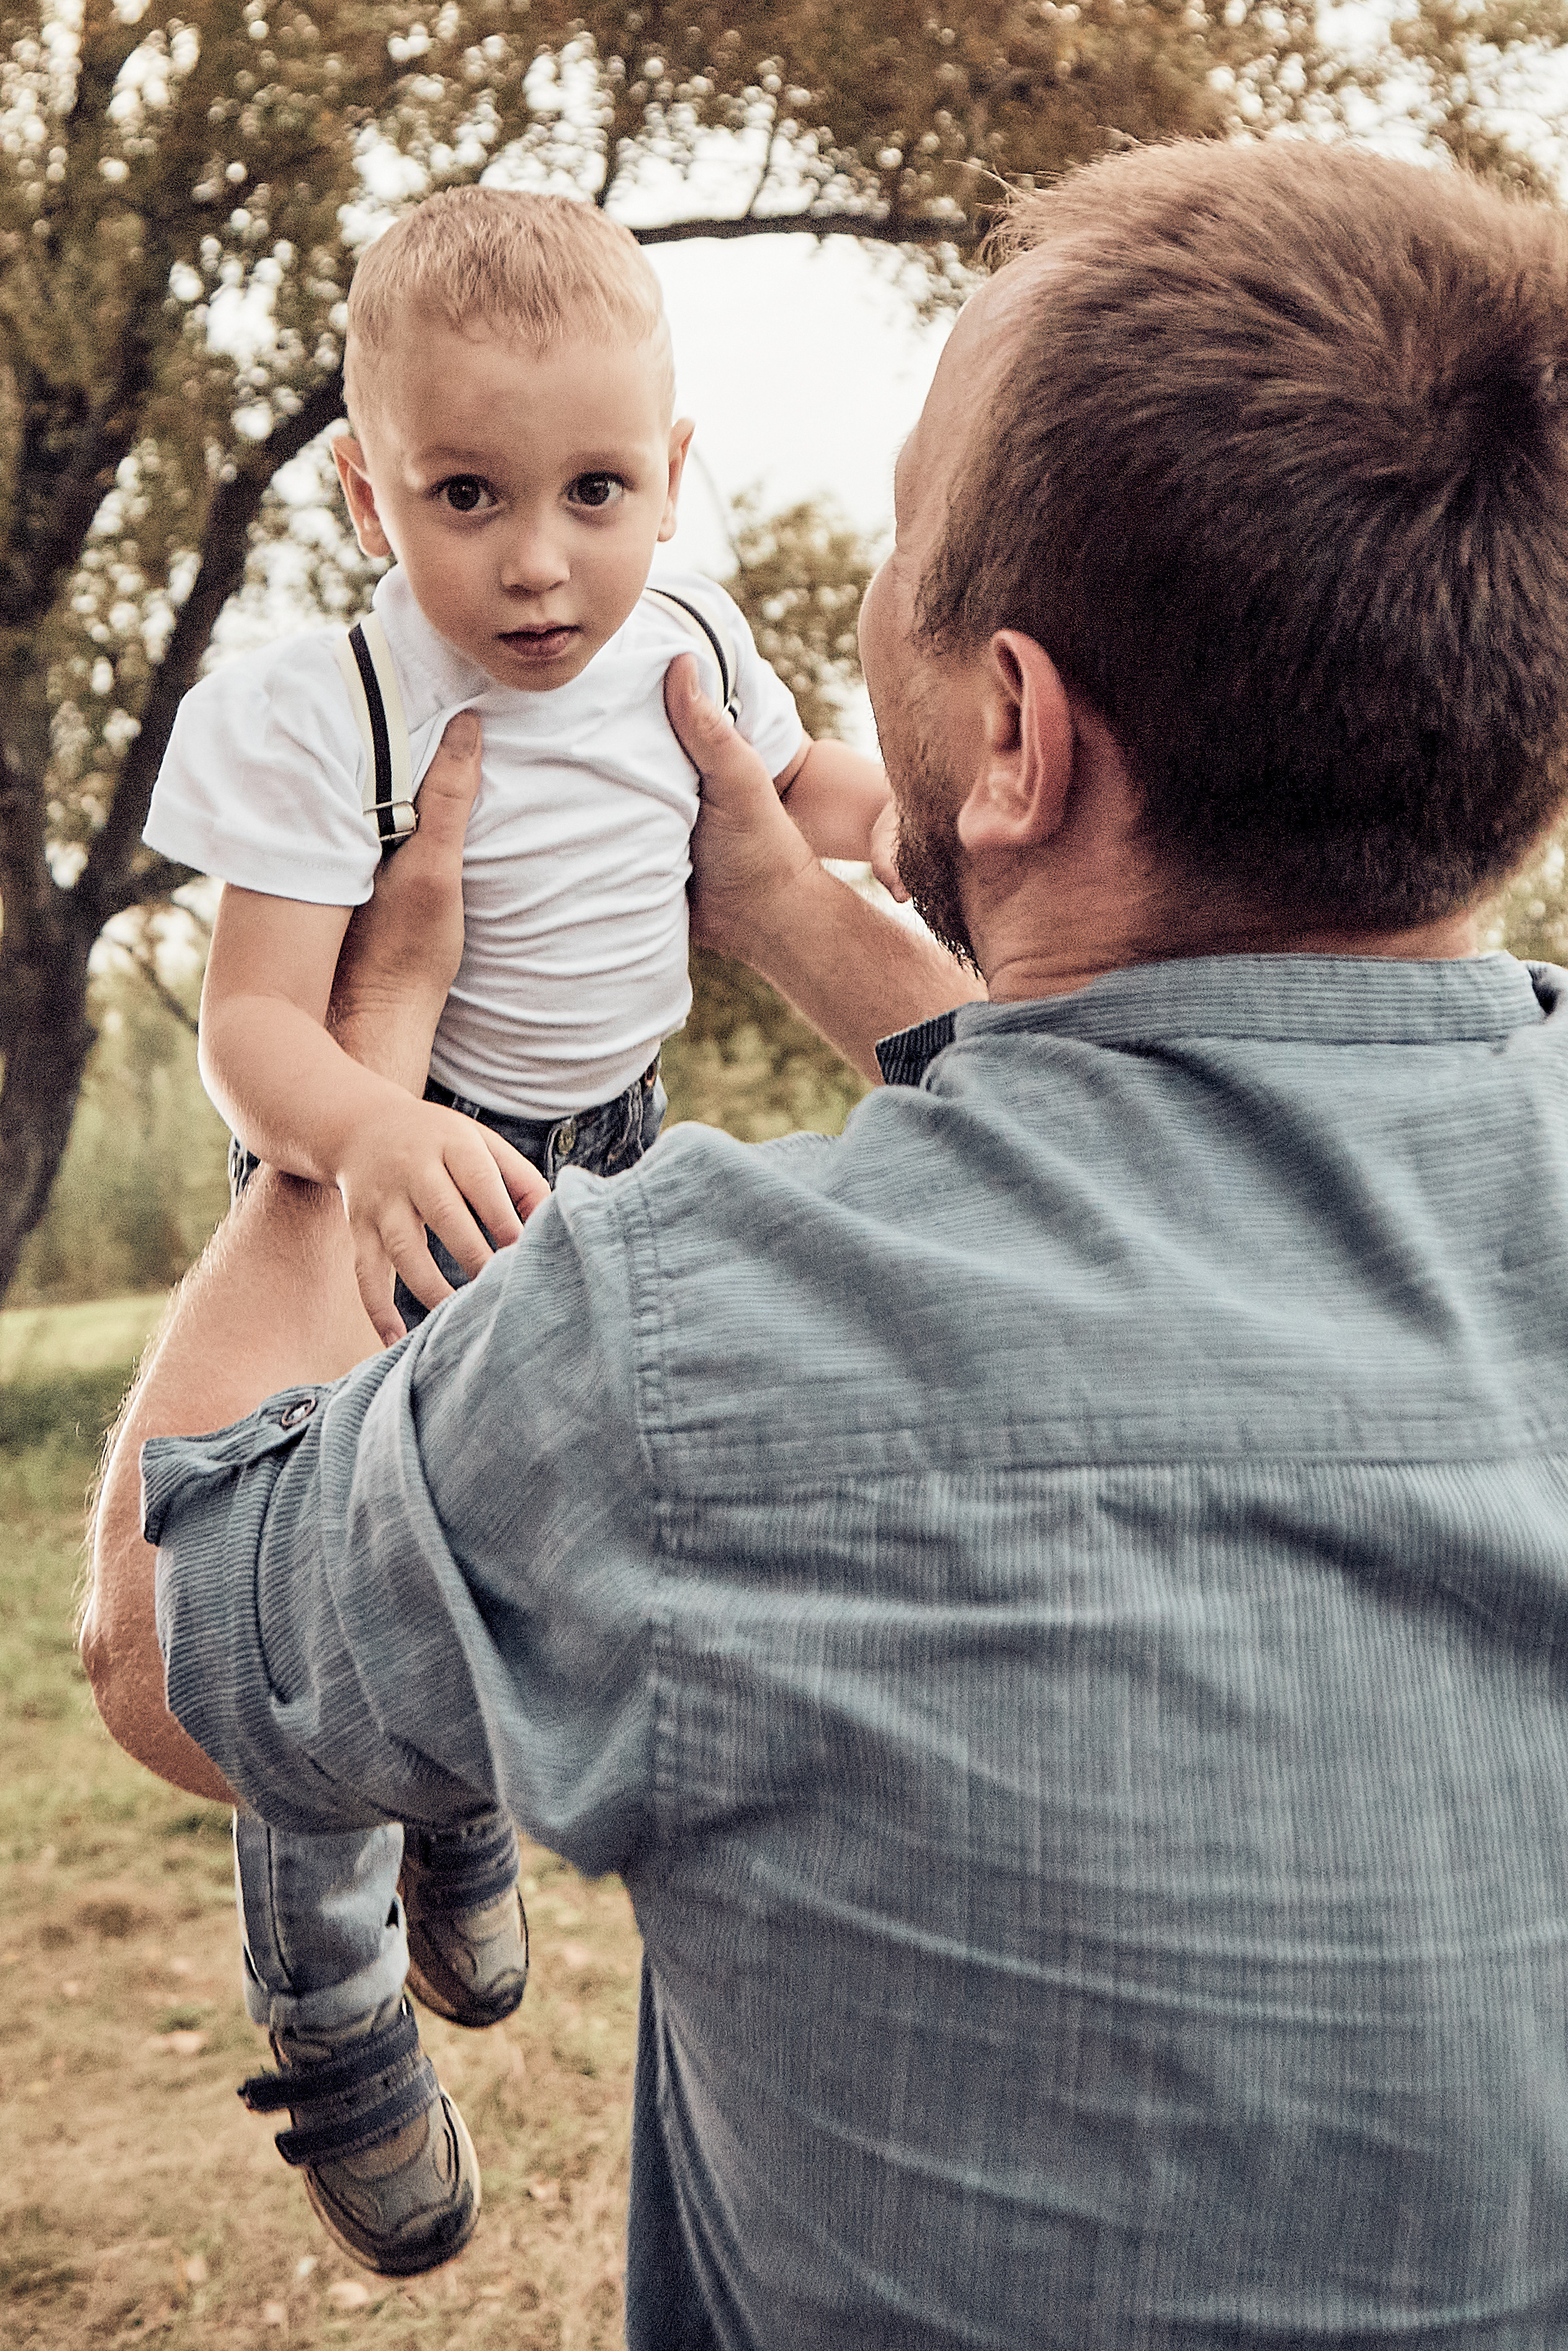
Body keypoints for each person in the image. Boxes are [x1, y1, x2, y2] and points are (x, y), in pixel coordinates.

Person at [85, 137, 1568, 2348]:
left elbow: (164, 1636)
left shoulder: (681, 1355)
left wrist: (367, 1062)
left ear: (1013, 730)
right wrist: (800, 923)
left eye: (904, 551)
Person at [137, 184, 898, 2276]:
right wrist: (365, 1132)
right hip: (393, 1159)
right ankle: (337, 2016)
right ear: (372, 496)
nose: (538, 559)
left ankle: (471, 1811)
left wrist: (879, 820)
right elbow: (254, 1032)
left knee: (556, 1530)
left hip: (615, 1143)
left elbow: (795, 798)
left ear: (673, 472)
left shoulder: (692, 640)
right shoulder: (330, 712)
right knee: (319, 1577)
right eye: (467, 494)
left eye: (592, 489)